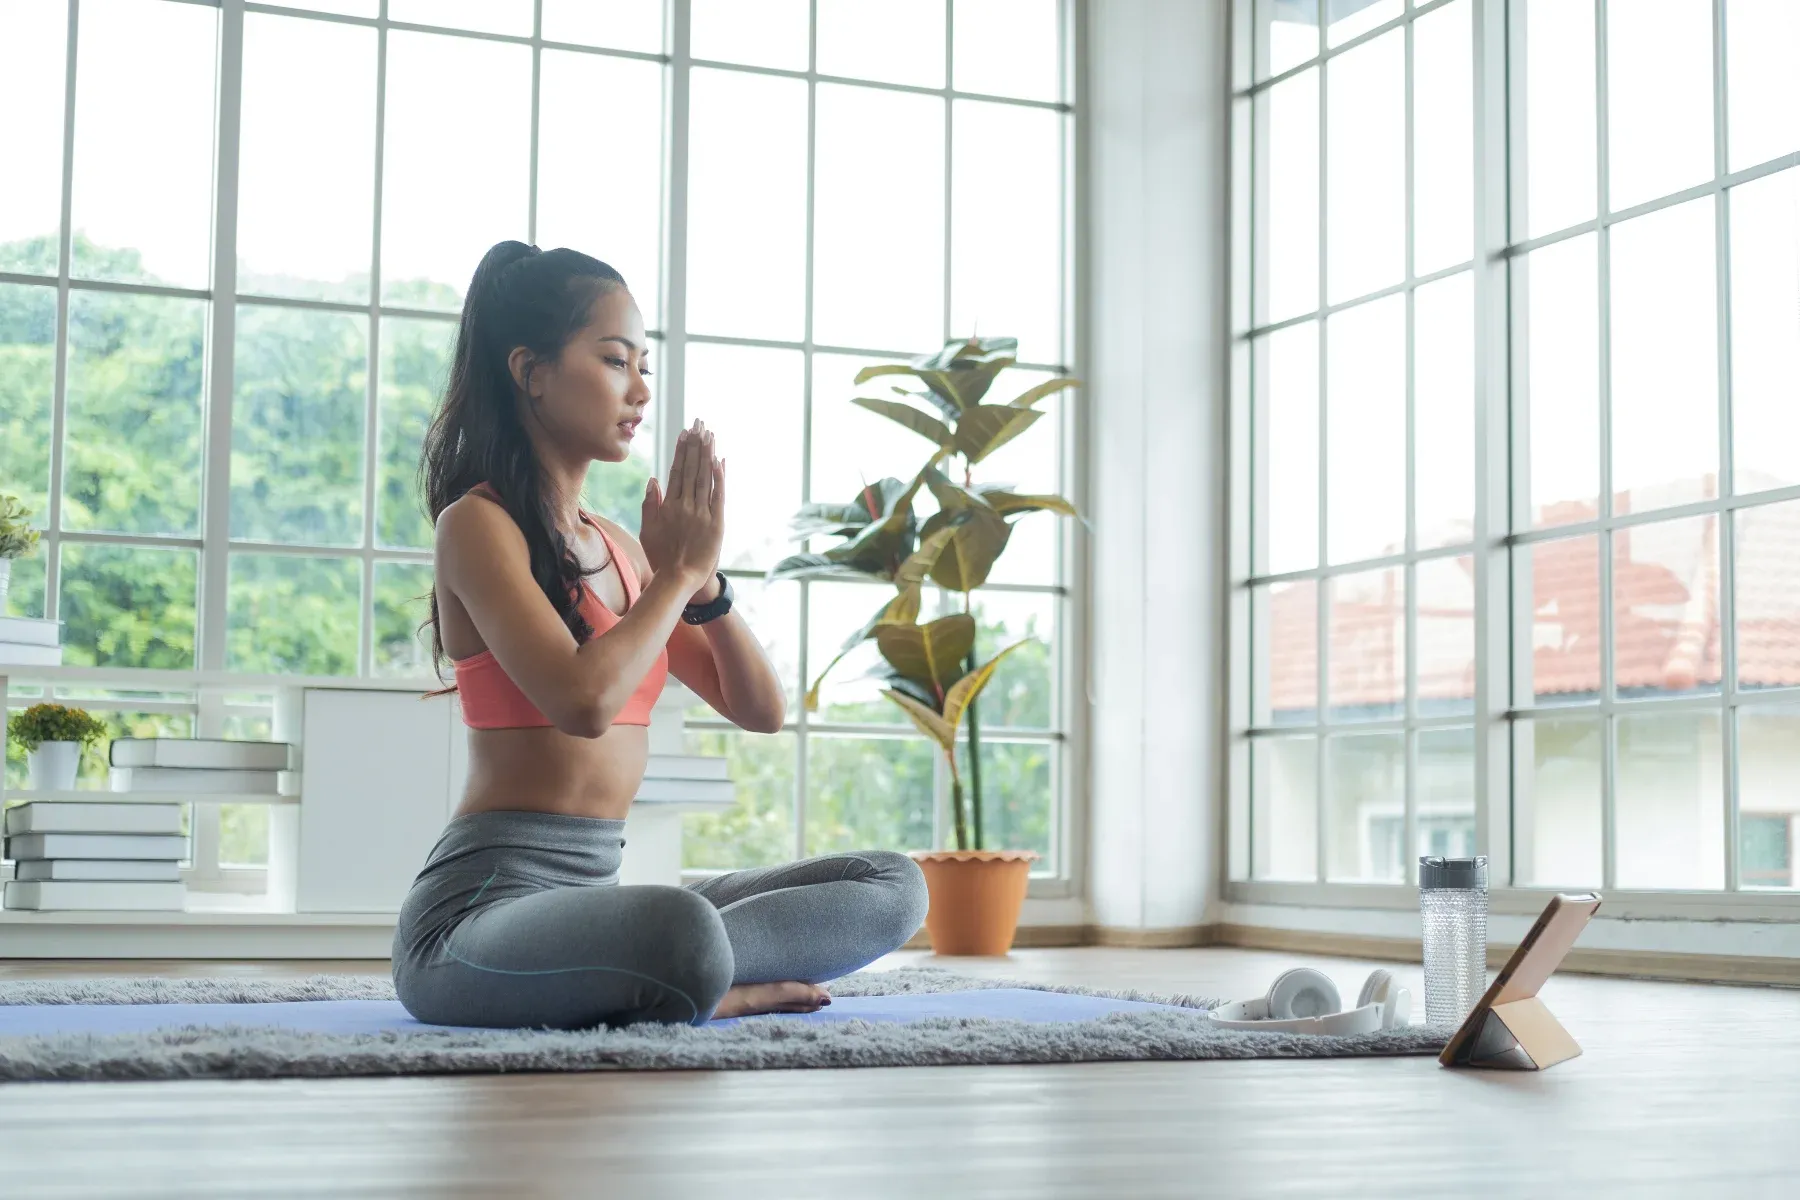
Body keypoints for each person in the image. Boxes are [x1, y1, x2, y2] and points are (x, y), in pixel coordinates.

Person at [391, 241, 928, 1029]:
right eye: (615, 360)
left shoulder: (622, 547)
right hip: (476, 919)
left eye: (645, 364)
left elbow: (760, 710)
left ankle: (673, 971)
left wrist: (704, 586)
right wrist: (674, 576)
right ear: (530, 372)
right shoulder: (475, 526)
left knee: (892, 883)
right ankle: (687, 973)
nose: (641, 388)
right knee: (679, 931)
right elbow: (582, 701)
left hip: (600, 900)